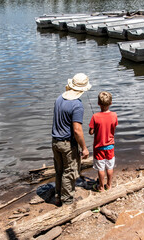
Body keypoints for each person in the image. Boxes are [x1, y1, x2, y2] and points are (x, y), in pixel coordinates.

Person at [52, 73, 92, 206]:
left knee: (59, 170)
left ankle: (58, 196)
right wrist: (84, 148)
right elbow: (77, 130)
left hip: (55, 142)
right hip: (67, 144)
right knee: (69, 173)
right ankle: (67, 203)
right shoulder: (77, 105)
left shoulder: (59, 99)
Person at [89, 91, 118, 192]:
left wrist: (96, 128)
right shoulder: (114, 115)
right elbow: (113, 127)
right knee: (110, 167)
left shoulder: (95, 117)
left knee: (101, 169)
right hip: (110, 147)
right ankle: (109, 185)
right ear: (111, 103)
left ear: (98, 103)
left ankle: (101, 187)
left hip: (99, 147)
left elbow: (91, 132)